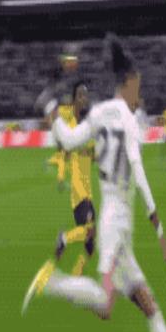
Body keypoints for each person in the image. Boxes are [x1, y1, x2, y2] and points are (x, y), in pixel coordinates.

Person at [22, 35, 166, 332]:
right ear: (127, 83)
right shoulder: (127, 118)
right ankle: (52, 283)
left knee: (149, 307)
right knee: (107, 306)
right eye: (137, 86)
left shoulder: (99, 112)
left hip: (115, 215)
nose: (140, 93)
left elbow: (69, 141)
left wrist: (50, 110)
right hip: (116, 223)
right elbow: (137, 170)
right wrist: (159, 228)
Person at [53, 81, 96, 276]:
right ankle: (64, 238)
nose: (84, 98)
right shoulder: (69, 127)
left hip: (88, 190)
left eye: (86, 95)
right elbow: (63, 153)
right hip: (79, 191)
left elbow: (93, 155)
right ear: (73, 99)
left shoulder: (88, 128)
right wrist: (61, 175)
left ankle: (76, 274)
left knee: (90, 245)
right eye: (80, 95)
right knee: (89, 231)